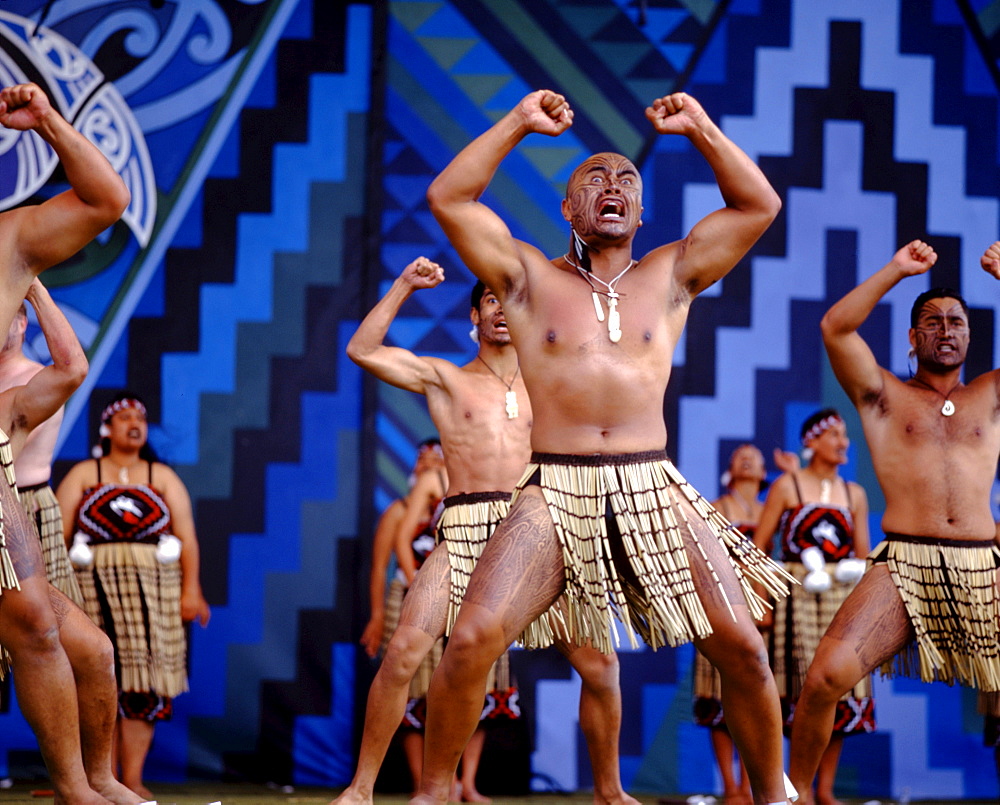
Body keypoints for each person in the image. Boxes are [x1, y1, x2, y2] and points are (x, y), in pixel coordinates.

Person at [419, 89, 790, 805]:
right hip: (554, 489)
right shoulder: (526, 279)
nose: (611, 187)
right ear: (568, 209)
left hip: (652, 486)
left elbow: (759, 206)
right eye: (593, 179)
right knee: (470, 640)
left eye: (626, 180)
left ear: (643, 211)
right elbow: (449, 195)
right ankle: (433, 794)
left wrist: (702, 128)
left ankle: (775, 796)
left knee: (742, 647)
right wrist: (521, 122)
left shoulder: (673, 273)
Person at [338, 257, 635, 805]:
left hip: (539, 530)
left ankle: (610, 792)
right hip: (467, 526)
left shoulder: (550, 379)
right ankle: (361, 789)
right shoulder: (444, 378)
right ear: (474, 315)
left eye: (510, 301)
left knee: (601, 665)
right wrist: (404, 284)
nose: (501, 310)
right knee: (404, 651)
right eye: (490, 301)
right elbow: (362, 350)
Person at [787, 239, 1000, 802]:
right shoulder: (884, 396)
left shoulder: (991, 393)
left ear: (970, 336)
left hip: (984, 566)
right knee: (825, 679)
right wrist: (896, 271)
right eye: (931, 322)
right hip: (904, 565)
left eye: (956, 322)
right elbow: (836, 327)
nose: (946, 330)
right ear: (913, 337)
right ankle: (795, 797)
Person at [0, 82, 137, 804]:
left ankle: (81, 786)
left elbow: (107, 200)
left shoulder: (11, 241)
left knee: (38, 621)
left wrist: (49, 121)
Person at [56, 392, 211, 800]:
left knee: (143, 686)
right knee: (96, 681)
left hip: (154, 596)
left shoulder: (161, 476)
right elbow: (57, 535)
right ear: (107, 429)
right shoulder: (86, 473)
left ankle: (133, 779)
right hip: (92, 592)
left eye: (140, 416)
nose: (134, 422)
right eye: (124, 416)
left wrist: (191, 589)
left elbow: (188, 538)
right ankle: (98, 779)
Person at [753, 411, 872, 805]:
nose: (844, 442)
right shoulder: (788, 486)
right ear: (813, 441)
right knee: (796, 691)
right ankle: (790, 787)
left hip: (840, 600)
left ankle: (825, 790)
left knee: (838, 689)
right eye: (835, 435)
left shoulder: (855, 493)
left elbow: (862, 557)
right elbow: (760, 547)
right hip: (795, 602)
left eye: (845, 435)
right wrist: (760, 601)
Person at [693, 444, 768, 805]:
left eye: (755, 455)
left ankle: (751, 783)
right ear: (730, 468)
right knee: (718, 696)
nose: (748, 458)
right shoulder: (716, 508)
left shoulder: (772, 509)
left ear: (764, 469)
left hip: (763, 610)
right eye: (741, 455)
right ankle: (729, 786)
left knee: (758, 693)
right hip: (722, 605)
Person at [0, 291, 82, 606]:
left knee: (45, 621)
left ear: (22, 324)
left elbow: (6, 450)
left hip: (25, 504)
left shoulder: (36, 378)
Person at [359, 439, 445, 661]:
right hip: (408, 597)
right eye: (422, 461)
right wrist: (378, 616)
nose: (428, 467)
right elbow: (379, 568)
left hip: (443, 599)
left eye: (436, 460)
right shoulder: (398, 512)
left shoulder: (453, 510)